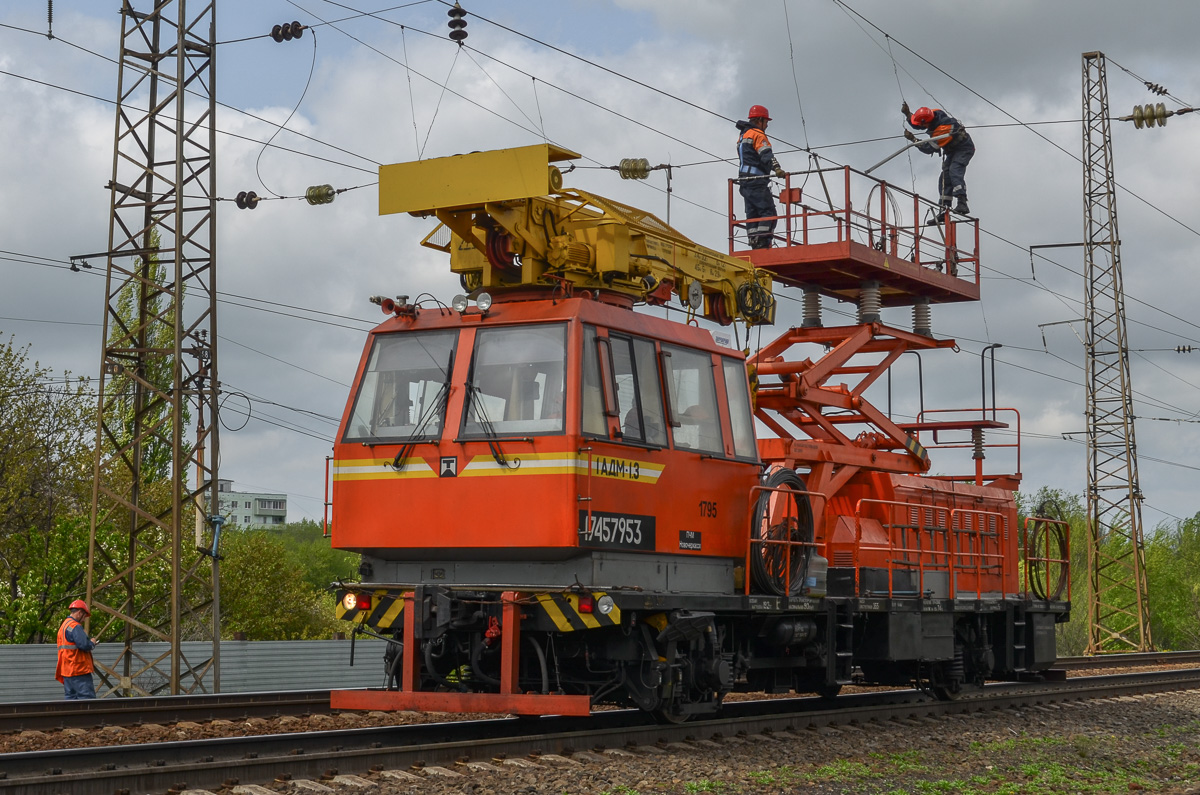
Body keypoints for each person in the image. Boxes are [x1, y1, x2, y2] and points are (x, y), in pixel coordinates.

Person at [902, 102, 975, 219]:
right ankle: (944, 211)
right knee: (945, 178)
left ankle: (962, 203)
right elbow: (920, 123)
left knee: (954, 171)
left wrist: (914, 139)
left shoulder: (943, 129)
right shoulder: (934, 113)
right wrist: (908, 114)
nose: (923, 127)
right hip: (952, 150)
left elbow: (929, 148)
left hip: (963, 149)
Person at [735, 104, 787, 249]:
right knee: (768, 212)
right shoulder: (757, 134)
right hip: (757, 181)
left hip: (745, 182)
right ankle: (763, 241)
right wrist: (777, 169)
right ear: (759, 120)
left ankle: (753, 241)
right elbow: (766, 154)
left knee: (752, 214)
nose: (767, 125)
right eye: (766, 122)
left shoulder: (743, 136)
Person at [56, 599, 97, 700]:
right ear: (79, 613)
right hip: (79, 671)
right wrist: (92, 643)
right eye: (84, 616)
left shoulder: (63, 626)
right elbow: (84, 645)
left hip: (67, 671)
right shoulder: (75, 626)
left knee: (71, 701)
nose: (84, 620)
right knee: (87, 700)